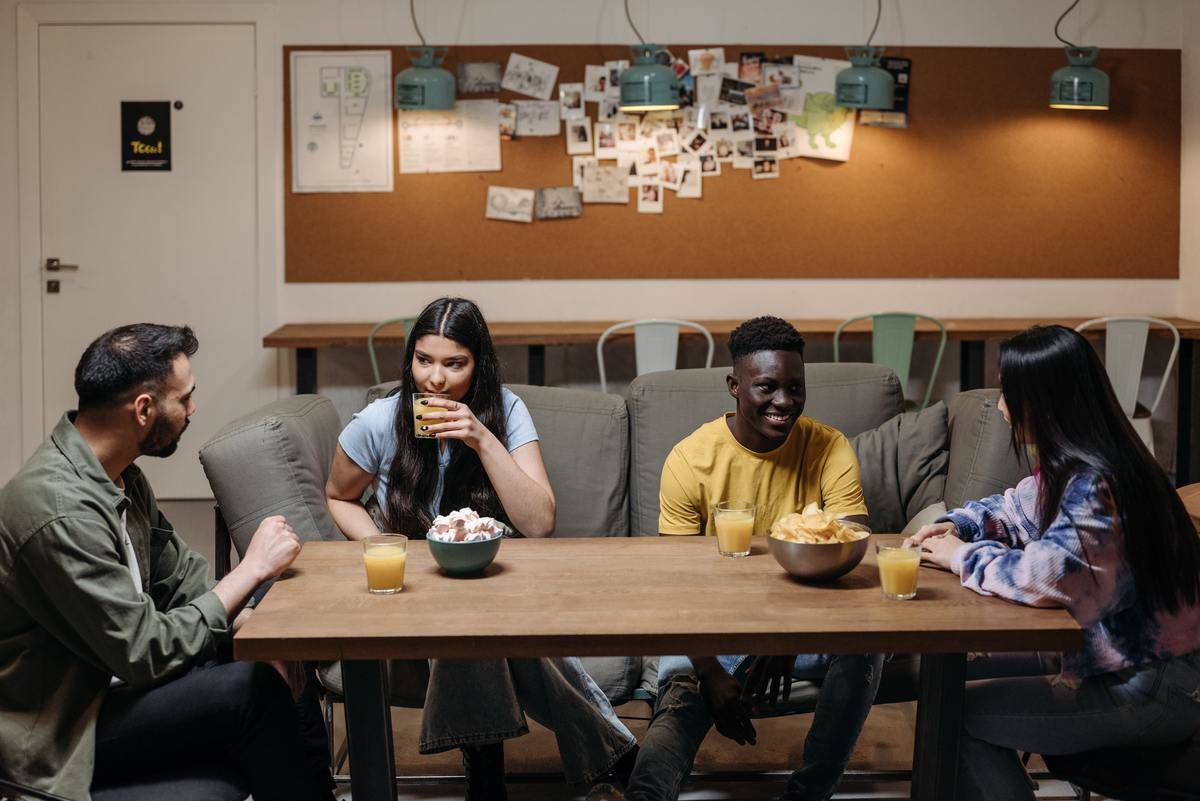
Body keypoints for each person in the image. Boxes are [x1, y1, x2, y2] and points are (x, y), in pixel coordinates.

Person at [0, 324, 333, 801]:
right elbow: (146, 653)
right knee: (252, 690)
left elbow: (181, 577)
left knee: (281, 644)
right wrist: (250, 569)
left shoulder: (120, 477)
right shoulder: (58, 512)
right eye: (185, 399)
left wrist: (253, 623)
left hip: (119, 685)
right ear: (143, 410)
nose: (193, 410)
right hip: (70, 727)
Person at [325, 297, 638, 800]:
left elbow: (539, 523)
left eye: (455, 364)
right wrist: (383, 545)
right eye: (423, 360)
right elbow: (338, 496)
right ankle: (615, 758)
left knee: (485, 618)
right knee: (474, 624)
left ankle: (486, 773)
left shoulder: (507, 411)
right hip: (418, 586)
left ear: (479, 365)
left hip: (493, 580)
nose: (435, 380)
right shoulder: (380, 421)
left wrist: (482, 438)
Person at [905, 325, 1200, 801]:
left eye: (1008, 392)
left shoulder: (1101, 484)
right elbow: (1012, 508)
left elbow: (1048, 577)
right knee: (945, 689)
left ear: (1042, 401)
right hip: (1114, 662)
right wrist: (958, 525)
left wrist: (961, 556)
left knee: (957, 718)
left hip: (1151, 685)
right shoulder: (1086, 463)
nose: (1001, 406)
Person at [623, 316, 883, 801]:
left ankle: (807, 794)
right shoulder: (690, 459)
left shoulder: (829, 446)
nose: (784, 402)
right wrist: (709, 671)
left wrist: (787, 635)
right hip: (713, 627)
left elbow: (852, 551)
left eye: (795, 388)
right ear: (734, 386)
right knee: (682, 700)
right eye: (767, 387)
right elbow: (677, 586)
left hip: (810, 627)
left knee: (865, 646)